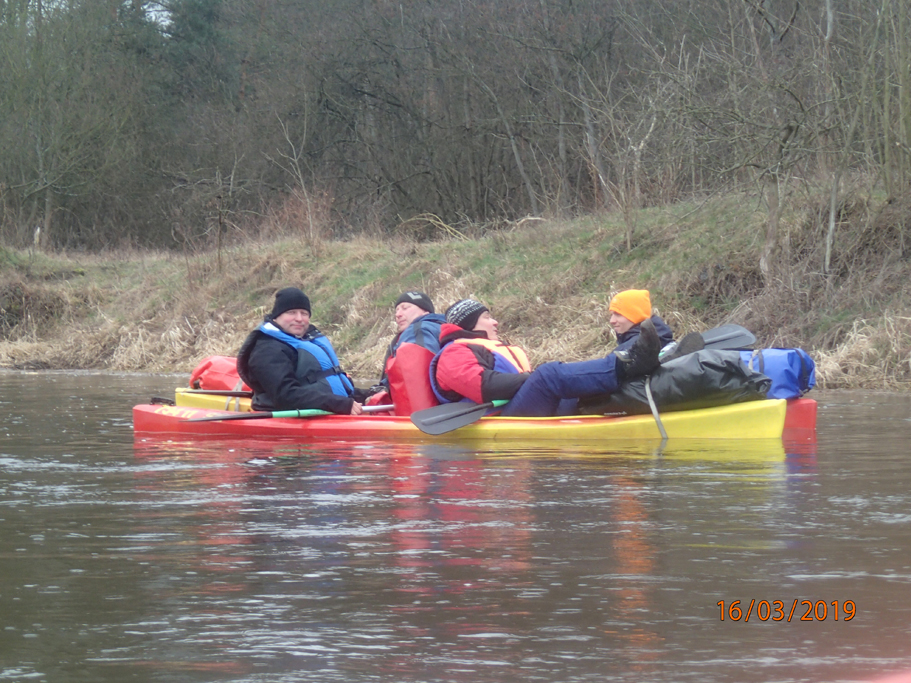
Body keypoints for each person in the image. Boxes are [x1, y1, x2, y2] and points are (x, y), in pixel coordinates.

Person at [237, 287, 367, 415]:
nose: (299, 318)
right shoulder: (266, 350)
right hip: (287, 416)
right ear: (277, 317)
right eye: (291, 312)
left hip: (327, 409)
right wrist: (339, 404)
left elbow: (326, 386)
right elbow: (286, 395)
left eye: (304, 313)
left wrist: (367, 394)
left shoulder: (305, 342)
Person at [372, 291, 446, 414]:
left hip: (424, 415)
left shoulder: (418, 330)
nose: (398, 314)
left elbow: (417, 376)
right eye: (396, 310)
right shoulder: (442, 327)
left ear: (425, 311)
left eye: (405, 308)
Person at [608, 289, 675, 351]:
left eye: (618, 314)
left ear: (635, 315)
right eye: (612, 315)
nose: (612, 320)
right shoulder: (662, 337)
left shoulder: (633, 349)